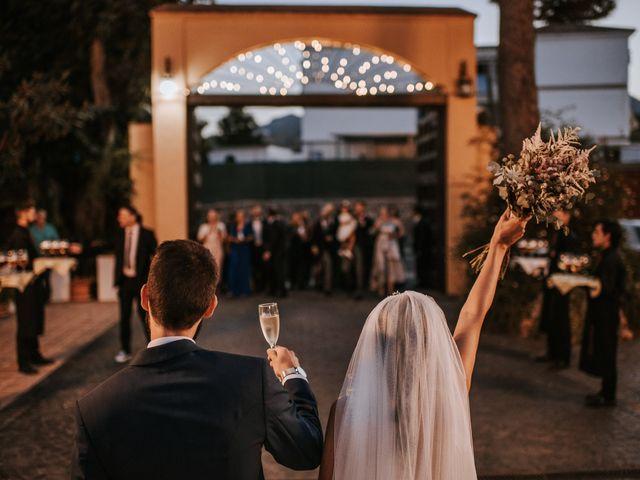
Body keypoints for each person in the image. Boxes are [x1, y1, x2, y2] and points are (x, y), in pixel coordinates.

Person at [72, 240, 323, 479]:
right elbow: (306, 452)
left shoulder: (93, 409)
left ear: (145, 298)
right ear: (210, 307)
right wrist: (293, 376)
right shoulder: (251, 379)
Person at [318, 210, 528, 480]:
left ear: (375, 344)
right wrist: (498, 246)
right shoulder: (450, 393)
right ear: (432, 343)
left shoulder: (346, 411)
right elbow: (471, 318)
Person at [579, 220, 626, 407]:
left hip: (607, 313)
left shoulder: (612, 259)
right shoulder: (607, 256)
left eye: (597, 232)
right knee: (605, 349)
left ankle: (608, 395)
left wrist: (589, 284)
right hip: (603, 312)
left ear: (608, 236)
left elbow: (611, 289)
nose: (593, 235)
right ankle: (606, 392)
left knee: (607, 350)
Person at [6, 201, 52, 374]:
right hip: (24, 285)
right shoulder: (19, 235)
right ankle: (23, 361)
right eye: (32, 211)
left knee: (33, 319)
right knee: (25, 322)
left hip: (32, 284)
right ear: (23, 213)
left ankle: (34, 354)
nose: (35, 213)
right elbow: (20, 263)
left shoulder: (26, 232)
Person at [113, 205, 157, 364]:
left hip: (141, 283)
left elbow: (156, 256)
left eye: (122, 215)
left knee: (145, 317)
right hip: (124, 282)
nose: (119, 218)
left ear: (133, 217)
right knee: (124, 318)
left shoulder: (147, 234)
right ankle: (125, 350)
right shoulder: (119, 234)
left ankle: (153, 349)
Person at [536, 210, 579, 369]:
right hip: (553, 281)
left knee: (561, 319)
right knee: (551, 317)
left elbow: (570, 260)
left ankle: (563, 358)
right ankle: (552, 353)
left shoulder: (570, 235)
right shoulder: (557, 232)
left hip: (562, 283)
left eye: (560, 213)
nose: (556, 214)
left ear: (567, 215)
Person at [370, 206, 406, 296]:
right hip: (381, 243)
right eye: (381, 213)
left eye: (385, 213)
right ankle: (380, 287)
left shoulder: (395, 221)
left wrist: (394, 236)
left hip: (391, 244)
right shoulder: (379, 221)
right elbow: (372, 231)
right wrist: (378, 225)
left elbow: (402, 232)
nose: (383, 215)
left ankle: (391, 288)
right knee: (380, 265)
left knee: (392, 266)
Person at [311, 203, 337, 295]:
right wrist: (314, 246)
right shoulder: (318, 222)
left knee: (328, 266)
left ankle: (327, 287)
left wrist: (331, 238)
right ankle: (319, 284)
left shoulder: (333, 222)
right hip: (320, 248)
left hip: (328, 249)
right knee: (319, 268)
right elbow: (314, 235)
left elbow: (335, 235)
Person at [227, 209, 254, 296]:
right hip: (235, 249)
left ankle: (245, 290)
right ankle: (233, 290)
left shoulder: (248, 225)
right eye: (238, 216)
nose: (239, 218)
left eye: (241, 216)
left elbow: (251, 236)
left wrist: (244, 240)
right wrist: (235, 240)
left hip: (244, 249)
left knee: (244, 269)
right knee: (234, 269)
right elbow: (229, 237)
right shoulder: (233, 226)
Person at [353, 201, 374, 299]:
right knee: (355, 267)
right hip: (354, 246)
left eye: (359, 207)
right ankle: (356, 287)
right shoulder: (352, 218)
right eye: (356, 207)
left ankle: (360, 288)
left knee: (361, 267)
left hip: (363, 247)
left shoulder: (368, 220)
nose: (357, 209)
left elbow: (370, 232)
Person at [197, 208, 226, 272]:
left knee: (217, 270)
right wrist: (208, 231)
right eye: (210, 216)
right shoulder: (203, 226)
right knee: (206, 269)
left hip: (217, 250)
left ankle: (218, 282)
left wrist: (218, 231)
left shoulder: (221, 225)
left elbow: (223, 240)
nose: (212, 218)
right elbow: (200, 240)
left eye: (213, 216)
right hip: (206, 250)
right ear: (207, 217)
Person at [288, 211, 312, 290]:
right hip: (293, 251)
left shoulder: (303, 227)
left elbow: (306, 237)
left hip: (302, 251)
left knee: (302, 268)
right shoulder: (290, 227)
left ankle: (301, 283)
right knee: (293, 268)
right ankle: (293, 283)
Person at [412, 205, 432, 289]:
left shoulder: (423, 223)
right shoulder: (420, 222)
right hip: (420, 248)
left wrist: (420, 249)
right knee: (420, 265)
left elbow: (422, 237)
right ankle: (421, 281)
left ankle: (423, 282)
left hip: (423, 249)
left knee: (423, 265)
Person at [250, 205, 266, 293]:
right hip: (253, 248)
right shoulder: (250, 223)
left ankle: (263, 286)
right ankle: (256, 287)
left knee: (263, 268)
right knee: (254, 268)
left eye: (258, 210)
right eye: (254, 210)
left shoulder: (264, 222)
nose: (256, 212)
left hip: (262, 248)